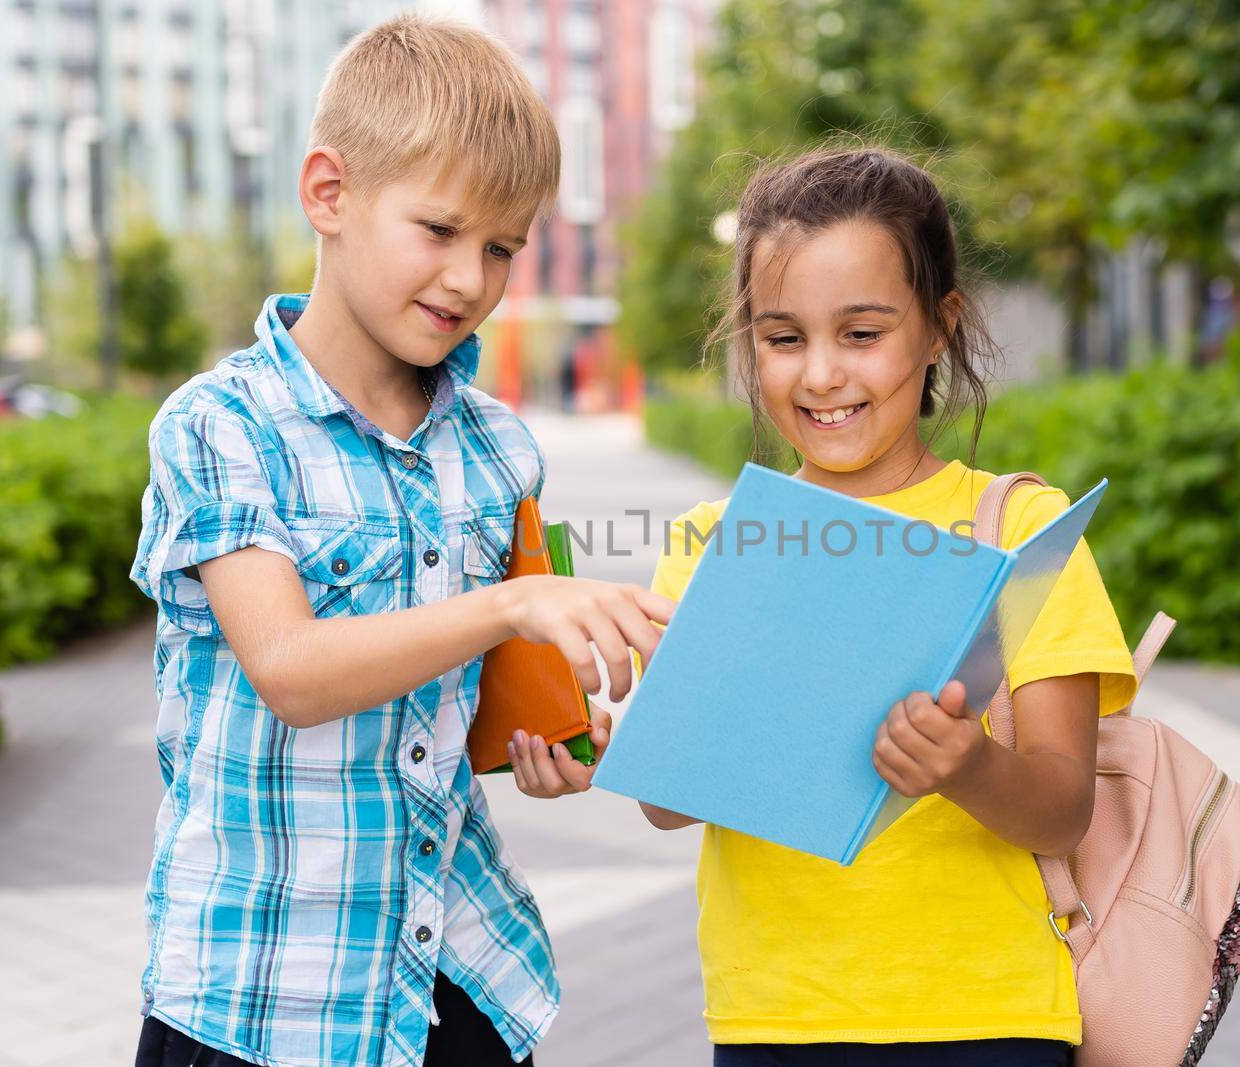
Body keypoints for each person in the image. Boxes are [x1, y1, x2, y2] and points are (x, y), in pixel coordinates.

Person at [128, 14, 672, 1067]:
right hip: (261, 995)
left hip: (459, 969)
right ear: (328, 193)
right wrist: (512, 604)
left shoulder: (499, 445)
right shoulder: (220, 425)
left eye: (502, 247)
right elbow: (290, 671)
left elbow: (468, 708)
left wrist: (549, 740)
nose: (470, 278)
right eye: (439, 230)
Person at [640, 146, 1138, 1066]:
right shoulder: (716, 539)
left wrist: (969, 767)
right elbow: (668, 806)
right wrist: (611, 742)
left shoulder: (1016, 527)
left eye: (861, 333)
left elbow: (1065, 807)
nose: (821, 375)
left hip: (989, 1017)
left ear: (939, 327)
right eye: (784, 339)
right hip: (777, 1018)